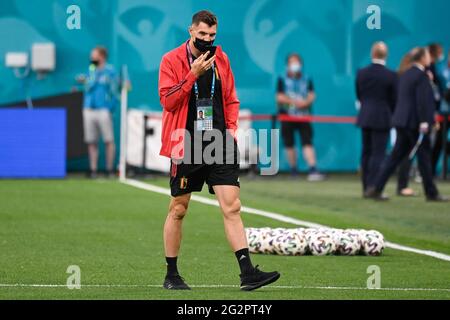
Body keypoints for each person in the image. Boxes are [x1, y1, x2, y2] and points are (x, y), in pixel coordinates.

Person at [158, 10, 280, 291]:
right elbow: (168, 101)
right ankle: (172, 275)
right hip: (185, 142)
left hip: (220, 142)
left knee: (233, 206)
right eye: (202, 34)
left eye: (212, 35)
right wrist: (192, 75)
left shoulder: (222, 59)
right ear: (190, 31)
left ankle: (247, 273)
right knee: (178, 208)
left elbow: (231, 99)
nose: (207, 39)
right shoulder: (171, 60)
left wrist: (232, 129)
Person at [365, 47, 448, 202]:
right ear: (422, 58)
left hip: (401, 121)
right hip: (415, 123)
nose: (430, 58)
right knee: (424, 158)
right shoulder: (421, 76)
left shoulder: (406, 74)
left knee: (395, 157)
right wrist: (425, 121)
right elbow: (422, 101)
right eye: (428, 56)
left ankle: (376, 188)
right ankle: (431, 193)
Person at [355, 42, 397, 195]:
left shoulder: (362, 73)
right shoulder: (391, 75)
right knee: (378, 154)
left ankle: (366, 186)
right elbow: (394, 99)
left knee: (366, 152)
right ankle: (374, 186)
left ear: (372, 53)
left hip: (365, 116)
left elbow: (359, 94)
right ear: (386, 55)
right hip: (382, 118)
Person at [276, 53, 325, 181]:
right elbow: (279, 97)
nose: (294, 65)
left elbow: (312, 95)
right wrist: (292, 102)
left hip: (303, 116)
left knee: (307, 142)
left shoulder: (307, 78)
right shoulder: (282, 78)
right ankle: (294, 171)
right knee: (289, 143)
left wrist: (304, 103)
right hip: (287, 116)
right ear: (288, 65)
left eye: (296, 62)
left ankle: (313, 169)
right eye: (292, 63)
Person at [81, 46, 118, 178]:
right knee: (92, 141)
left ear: (102, 56)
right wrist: (91, 75)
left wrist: (110, 107)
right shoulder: (91, 69)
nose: (92, 58)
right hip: (89, 109)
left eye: (94, 55)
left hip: (104, 110)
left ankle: (109, 170)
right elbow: (88, 87)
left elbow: (114, 91)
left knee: (109, 140)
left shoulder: (110, 71)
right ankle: (93, 170)